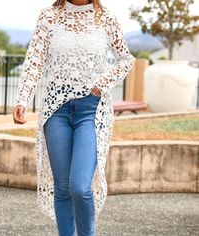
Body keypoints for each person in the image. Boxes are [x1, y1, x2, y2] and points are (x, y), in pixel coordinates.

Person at [12, 0, 135, 235]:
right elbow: (34, 62)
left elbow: (125, 59)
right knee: (62, 188)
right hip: (55, 110)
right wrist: (22, 99)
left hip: (91, 110)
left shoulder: (106, 17)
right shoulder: (48, 17)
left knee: (80, 187)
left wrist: (102, 83)